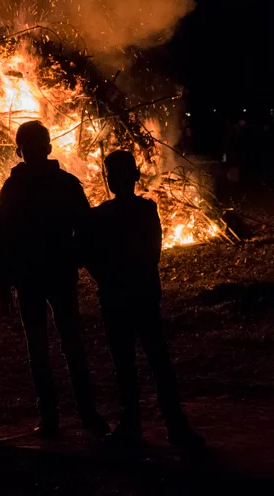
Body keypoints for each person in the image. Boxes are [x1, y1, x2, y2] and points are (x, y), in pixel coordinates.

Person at [0, 120, 110, 438]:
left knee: (45, 347)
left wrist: (3, 277)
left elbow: (1, 236)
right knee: (65, 343)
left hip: (37, 274)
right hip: (50, 274)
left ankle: (55, 417)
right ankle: (81, 414)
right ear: (44, 147)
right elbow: (4, 235)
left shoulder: (18, 187)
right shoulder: (62, 184)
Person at [81, 150, 204, 449]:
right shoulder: (146, 210)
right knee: (156, 359)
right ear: (136, 177)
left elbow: (89, 255)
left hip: (118, 298)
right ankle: (174, 424)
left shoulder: (100, 216)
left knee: (127, 363)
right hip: (143, 294)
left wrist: (108, 279)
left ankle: (133, 424)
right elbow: (152, 254)